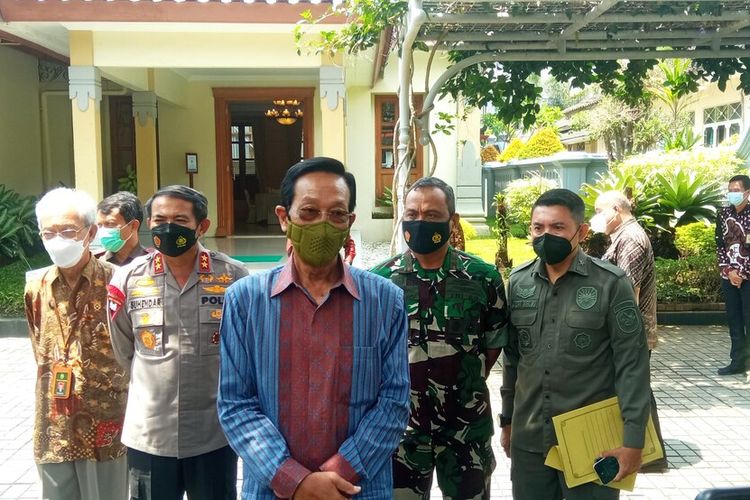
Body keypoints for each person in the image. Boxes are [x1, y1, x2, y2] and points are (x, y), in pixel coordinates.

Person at [217, 157, 410, 499]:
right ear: (284, 218)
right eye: (308, 212)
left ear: (349, 222)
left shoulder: (385, 301)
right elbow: (235, 403)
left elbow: (394, 402)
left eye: (336, 214)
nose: (323, 224)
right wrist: (295, 480)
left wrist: (337, 473)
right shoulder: (244, 301)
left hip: (357, 489)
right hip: (272, 490)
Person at [500, 188, 650, 499]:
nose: (546, 236)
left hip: (592, 442)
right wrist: (507, 421)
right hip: (530, 440)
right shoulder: (518, 282)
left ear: (581, 232)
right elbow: (513, 360)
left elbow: (632, 365)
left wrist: (633, 440)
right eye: (538, 227)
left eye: (557, 227)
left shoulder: (611, 284)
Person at [107, 185, 249, 500]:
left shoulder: (234, 277)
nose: (168, 228)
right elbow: (124, 350)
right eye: (160, 220)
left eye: (180, 220)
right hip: (150, 435)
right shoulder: (128, 280)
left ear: (202, 226)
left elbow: (246, 351)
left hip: (213, 434)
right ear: (149, 224)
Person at [370, 177, 508, 500]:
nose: (420, 221)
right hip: (400, 431)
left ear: (452, 221)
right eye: (412, 214)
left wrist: (459, 377)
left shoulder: (482, 278)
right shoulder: (380, 281)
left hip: (466, 430)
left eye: (432, 215)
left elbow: (493, 345)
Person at [24, 187, 128, 500]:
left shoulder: (119, 282)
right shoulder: (36, 286)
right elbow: (38, 343)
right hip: (54, 423)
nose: (58, 240)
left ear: (91, 232)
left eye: (68, 231)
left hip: (107, 422)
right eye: (49, 232)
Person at [591, 190, 667, 472]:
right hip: (630, 331)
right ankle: (649, 453)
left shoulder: (631, 239)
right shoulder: (623, 236)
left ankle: (651, 455)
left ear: (616, 209)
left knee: (635, 390)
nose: (597, 217)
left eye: (599, 211)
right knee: (636, 388)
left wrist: (618, 332)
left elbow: (628, 292)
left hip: (631, 332)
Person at [715, 174, 750, 375]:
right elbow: (720, 245)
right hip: (729, 275)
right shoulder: (723, 214)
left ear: (747, 192)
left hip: (748, 276)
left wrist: (743, 273)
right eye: (730, 191)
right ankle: (737, 361)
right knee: (734, 319)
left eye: (736, 191)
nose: (732, 194)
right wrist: (729, 271)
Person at [96, 191, 149, 266]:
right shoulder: (95, 262)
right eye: (99, 225)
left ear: (133, 225)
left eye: (110, 224)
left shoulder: (152, 262)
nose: (103, 230)